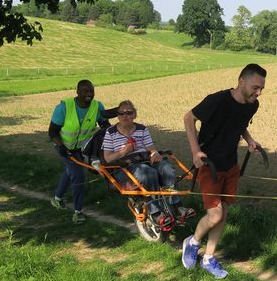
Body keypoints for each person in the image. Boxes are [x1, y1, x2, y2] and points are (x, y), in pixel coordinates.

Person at [181, 63, 266, 279]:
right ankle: (192, 242)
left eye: (261, 89)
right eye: (255, 87)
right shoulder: (217, 100)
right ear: (241, 82)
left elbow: (238, 124)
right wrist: (195, 151)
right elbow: (188, 118)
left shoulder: (251, 105)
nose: (258, 93)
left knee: (224, 213)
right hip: (209, 165)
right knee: (215, 214)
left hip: (230, 165)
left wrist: (249, 140)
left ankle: (209, 258)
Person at [101, 100, 195, 223]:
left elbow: (150, 148)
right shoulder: (110, 132)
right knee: (148, 173)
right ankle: (156, 213)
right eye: (121, 113)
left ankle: (177, 207)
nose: (125, 116)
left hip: (145, 159)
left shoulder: (142, 129)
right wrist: (124, 152)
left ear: (135, 115)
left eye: (129, 113)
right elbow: (107, 158)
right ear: (117, 116)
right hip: (125, 166)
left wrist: (155, 153)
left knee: (167, 168)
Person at [48, 80, 110, 223]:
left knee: (69, 172)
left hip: (83, 148)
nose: (89, 94)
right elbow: (52, 131)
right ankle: (78, 212)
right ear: (77, 92)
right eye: (85, 91)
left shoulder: (97, 106)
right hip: (64, 147)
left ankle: (57, 199)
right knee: (78, 175)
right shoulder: (64, 107)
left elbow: (105, 125)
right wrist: (61, 147)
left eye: (91, 91)